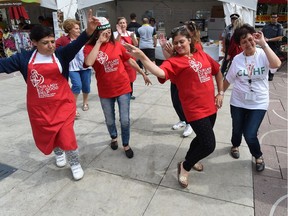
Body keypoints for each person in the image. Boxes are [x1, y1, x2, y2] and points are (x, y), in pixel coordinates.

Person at [0, 9, 100, 180]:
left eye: (53, 41)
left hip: (63, 104)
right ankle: (58, 153)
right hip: (39, 108)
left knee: (66, 135)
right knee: (49, 134)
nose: (51, 45)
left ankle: (75, 163)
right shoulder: (23, 59)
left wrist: (89, 30)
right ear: (34, 43)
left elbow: (78, 43)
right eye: (45, 43)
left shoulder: (61, 54)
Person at [124, 25, 224, 188]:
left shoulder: (201, 54)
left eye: (181, 42)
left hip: (211, 107)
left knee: (200, 139)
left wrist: (220, 92)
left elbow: (217, 71)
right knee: (208, 144)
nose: (178, 45)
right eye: (175, 43)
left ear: (189, 41)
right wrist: (142, 56)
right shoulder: (174, 61)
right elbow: (160, 73)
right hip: (194, 110)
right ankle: (185, 167)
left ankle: (192, 160)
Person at [84, 17, 146, 159]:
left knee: (124, 119)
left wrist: (142, 73)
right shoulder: (89, 48)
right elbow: (88, 62)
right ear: (96, 33)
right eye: (102, 33)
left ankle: (126, 144)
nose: (106, 35)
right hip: (105, 90)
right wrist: (99, 42)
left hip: (123, 87)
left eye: (107, 32)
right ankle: (113, 137)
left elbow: (129, 60)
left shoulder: (117, 45)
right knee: (110, 119)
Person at [223, 24, 281, 172]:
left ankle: (258, 155)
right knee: (237, 129)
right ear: (239, 45)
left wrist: (264, 44)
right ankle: (235, 145)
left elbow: (276, 64)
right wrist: (220, 93)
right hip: (238, 101)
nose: (248, 44)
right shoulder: (237, 59)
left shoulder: (263, 53)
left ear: (254, 37)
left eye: (250, 39)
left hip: (259, 102)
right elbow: (228, 79)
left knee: (249, 133)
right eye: (244, 42)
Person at [159, 21, 205, 172]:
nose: (179, 43)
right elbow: (171, 61)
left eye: (188, 30)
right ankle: (184, 120)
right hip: (175, 79)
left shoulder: (196, 47)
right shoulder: (178, 45)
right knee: (176, 103)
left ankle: (189, 123)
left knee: (185, 106)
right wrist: (168, 51)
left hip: (189, 83)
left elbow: (197, 63)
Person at [56, 19, 92, 118]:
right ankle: (73, 107)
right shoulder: (64, 40)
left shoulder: (84, 38)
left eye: (79, 28)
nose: (78, 30)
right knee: (77, 85)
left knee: (86, 86)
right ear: (70, 30)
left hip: (85, 66)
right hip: (72, 67)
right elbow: (55, 47)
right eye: (76, 28)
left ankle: (85, 102)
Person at [113, 16, 152, 100]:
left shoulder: (130, 33)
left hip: (130, 58)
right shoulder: (115, 34)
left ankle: (130, 94)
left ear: (126, 24)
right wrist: (120, 33)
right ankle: (119, 94)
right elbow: (115, 44)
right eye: (120, 23)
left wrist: (133, 37)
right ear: (117, 25)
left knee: (130, 77)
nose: (122, 24)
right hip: (120, 59)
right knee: (120, 78)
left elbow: (136, 44)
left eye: (124, 23)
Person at [262, 13, 284, 81]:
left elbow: (280, 37)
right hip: (266, 45)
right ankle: (265, 74)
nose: (273, 18)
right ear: (270, 18)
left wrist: (269, 39)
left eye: (275, 17)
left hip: (274, 46)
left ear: (277, 18)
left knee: (272, 60)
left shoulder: (279, 26)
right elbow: (261, 33)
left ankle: (271, 75)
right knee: (264, 59)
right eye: (272, 17)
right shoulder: (266, 26)